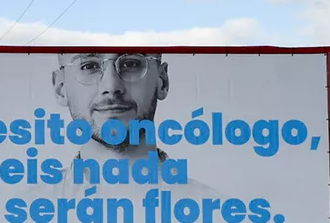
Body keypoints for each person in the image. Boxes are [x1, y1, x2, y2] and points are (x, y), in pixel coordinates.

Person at [47, 51, 218, 197]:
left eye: (131, 63)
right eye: (89, 66)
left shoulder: (218, 215)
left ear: (162, 82)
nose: (112, 86)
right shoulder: (25, 213)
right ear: (60, 88)